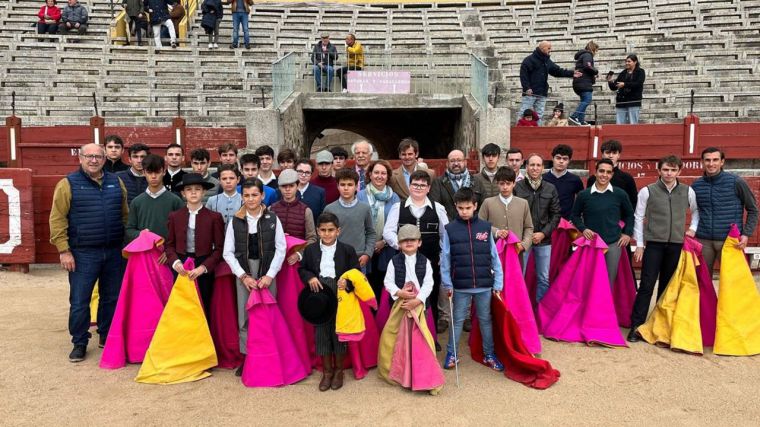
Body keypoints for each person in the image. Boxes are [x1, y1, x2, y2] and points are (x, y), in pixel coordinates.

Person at [49, 143, 128, 362]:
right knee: (80, 300)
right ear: (80, 158)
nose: (94, 160)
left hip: (113, 250)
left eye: (98, 156)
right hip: (83, 252)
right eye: (89, 156)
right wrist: (64, 250)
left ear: (104, 159)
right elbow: (57, 219)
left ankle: (105, 334)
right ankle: (79, 342)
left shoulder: (116, 181)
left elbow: (124, 215)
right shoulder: (67, 184)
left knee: (111, 297)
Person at [628, 155, 700, 342]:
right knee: (646, 285)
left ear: (679, 171)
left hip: (676, 245)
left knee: (668, 287)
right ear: (659, 171)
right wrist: (640, 245)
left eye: (673, 170)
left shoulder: (687, 191)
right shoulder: (647, 191)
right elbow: (638, 217)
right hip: (654, 244)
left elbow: (696, 212)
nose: (669, 173)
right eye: (665, 170)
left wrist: (692, 229)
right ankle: (636, 325)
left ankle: (659, 326)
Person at [223, 178, 287, 376]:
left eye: (255, 195)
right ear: (242, 197)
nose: (251, 199)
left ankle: (269, 355)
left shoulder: (272, 219)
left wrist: (269, 275)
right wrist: (243, 276)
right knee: (245, 317)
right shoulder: (235, 220)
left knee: (267, 314)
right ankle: (248, 356)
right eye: (247, 195)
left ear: (262, 196)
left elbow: (281, 248)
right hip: (244, 272)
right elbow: (228, 252)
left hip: (267, 271)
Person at [441, 188, 504, 372]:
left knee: (485, 320)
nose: (464, 211)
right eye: (460, 208)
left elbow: (495, 256)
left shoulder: (485, 227)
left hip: (484, 285)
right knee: (457, 320)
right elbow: (445, 259)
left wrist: (498, 282)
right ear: (455, 207)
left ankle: (489, 354)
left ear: (475, 206)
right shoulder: (450, 229)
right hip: (460, 285)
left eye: (468, 207)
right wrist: (447, 283)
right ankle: (451, 353)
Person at [383, 170, 449, 339]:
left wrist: (442, 256)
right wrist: (401, 246)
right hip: (403, 260)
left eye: (422, 185)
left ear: (428, 188)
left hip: (431, 260)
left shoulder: (438, 208)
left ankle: (430, 337)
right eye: (415, 184)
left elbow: (445, 235)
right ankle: (403, 338)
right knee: (403, 297)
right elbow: (388, 231)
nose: (418, 188)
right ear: (409, 186)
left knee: (430, 297)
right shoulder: (398, 207)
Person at [299, 212, 360, 391]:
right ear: (317, 231)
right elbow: (303, 270)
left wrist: (347, 281)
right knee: (321, 333)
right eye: (323, 230)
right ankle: (327, 372)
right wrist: (310, 278)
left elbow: (356, 271)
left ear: (338, 231)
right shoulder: (310, 250)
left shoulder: (347, 250)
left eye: (331, 230)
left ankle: (339, 370)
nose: (327, 234)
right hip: (319, 293)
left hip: (340, 293)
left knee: (338, 330)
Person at [165, 173, 225, 319]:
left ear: (204, 192)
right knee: (181, 306)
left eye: (197, 189)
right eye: (189, 189)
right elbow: (170, 245)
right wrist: (176, 263)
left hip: (203, 265)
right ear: (183, 193)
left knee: (203, 303)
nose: (193, 192)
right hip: (181, 266)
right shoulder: (175, 216)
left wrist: (203, 268)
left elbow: (219, 249)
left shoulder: (214, 217)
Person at [691, 147, 758, 275]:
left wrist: (746, 234)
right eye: (708, 160)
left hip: (730, 241)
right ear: (702, 162)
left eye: (715, 160)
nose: (711, 164)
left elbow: (753, 209)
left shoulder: (736, 182)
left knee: (733, 282)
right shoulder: (696, 185)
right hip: (704, 241)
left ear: (722, 162)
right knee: (702, 282)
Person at [571, 159, 634, 286]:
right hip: (591, 244)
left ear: (612, 175)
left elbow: (629, 215)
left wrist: (627, 233)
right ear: (595, 172)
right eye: (601, 171)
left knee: (609, 279)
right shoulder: (584, 195)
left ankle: (604, 306)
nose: (604, 175)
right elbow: (575, 215)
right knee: (589, 279)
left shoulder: (620, 194)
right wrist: (583, 229)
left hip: (613, 243)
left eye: (608, 172)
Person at [514, 154, 561, 301]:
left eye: (538, 165)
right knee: (519, 277)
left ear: (543, 168)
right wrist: (525, 237)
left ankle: (541, 313)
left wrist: (543, 233)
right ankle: (521, 312)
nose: (535, 168)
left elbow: (556, 215)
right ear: (526, 167)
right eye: (532, 165)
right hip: (522, 241)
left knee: (543, 278)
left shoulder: (550, 188)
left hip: (544, 240)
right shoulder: (517, 187)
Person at [357, 160, 400, 299]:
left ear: (388, 176)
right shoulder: (360, 196)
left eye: (383, 173)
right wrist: (370, 244)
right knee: (366, 285)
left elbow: (398, 224)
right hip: (364, 249)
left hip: (387, 248)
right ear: (370, 174)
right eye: (376, 172)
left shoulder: (394, 198)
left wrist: (384, 242)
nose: (379, 176)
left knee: (385, 285)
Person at [324, 168, 376, 273]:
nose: (346, 188)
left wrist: (367, 254)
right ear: (338, 186)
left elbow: (371, 233)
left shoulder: (364, 208)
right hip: (334, 258)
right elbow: (324, 235)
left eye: (350, 185)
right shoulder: (329, 209)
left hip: (359, 258)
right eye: (342, 185)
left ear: (356, 186)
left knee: (357, 288)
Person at [126, 154, 184, 244]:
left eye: (157, 172)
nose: (153, 176)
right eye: (149, 172)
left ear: (164, 172)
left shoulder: (175, 201)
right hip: (144, 252)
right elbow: (129, 229)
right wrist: (140, 234)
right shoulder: (136, 202)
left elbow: (182, 230)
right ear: (144, 172)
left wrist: (170, 251)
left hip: (168, 254)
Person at [519, 40, 580, 125]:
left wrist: (572, 73)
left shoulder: (547, 60)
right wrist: (527, 88)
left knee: (539, 115)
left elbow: (557, 71)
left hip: (542, 93)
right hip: (530, 93)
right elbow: (523, 75)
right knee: (524, 112)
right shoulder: (529, 60)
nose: (550, 50)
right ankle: (519, 132)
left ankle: (537, 132)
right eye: (549, 48)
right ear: (542, 48)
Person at [478, 167, 533, 252]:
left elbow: (529, 227)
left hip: (516, 251)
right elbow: (479, 225)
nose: (505, 187)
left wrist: (524, 244)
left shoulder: (523, 203)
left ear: (514, 184)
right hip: (494, 251)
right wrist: (496, 232)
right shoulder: (488, 203)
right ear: (497, 184)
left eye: (508, 183)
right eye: (502, 184)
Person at [269, 169, 317, 263]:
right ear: (279, 187)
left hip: (297, 261)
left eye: (291, 185)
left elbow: (312, 238)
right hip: (274, 259)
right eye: (284, 186)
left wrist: (299, 254)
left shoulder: (306, 211)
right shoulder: (271, 210)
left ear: (297, 186)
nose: (288, 189)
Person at [430, 149, 485, 220]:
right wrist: (451, 225)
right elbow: (435, 207)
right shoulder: (438, 183)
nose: (456, 164)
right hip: (448, 227)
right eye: (452, 161)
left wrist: (473, 221)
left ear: (465, 162)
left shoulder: (477, 181)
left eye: (459, 160)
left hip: (472, 226)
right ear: (447, 164)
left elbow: (483, 206)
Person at [587, 140, 638, 212]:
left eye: (614, 153)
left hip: (620, 221)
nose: (610, 156)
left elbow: (633, 202)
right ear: (602, 154)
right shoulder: (592, 179)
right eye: (608, 152)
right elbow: (589, 202)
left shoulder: (627, 178)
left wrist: (624, 221)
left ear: (618, 155)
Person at [543, 144, 584, 219]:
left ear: (569, 161)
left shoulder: (575, 180)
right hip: (546, 222)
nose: (561, 161)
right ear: (552, 158)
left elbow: (582, 200)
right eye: (558, 158)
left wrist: (575, 218)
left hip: (567, 222)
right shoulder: (543, 178)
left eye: (565, 159)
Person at [608, 54, 646, 124]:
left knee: (633, 123)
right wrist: (610, 81)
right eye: (626, 61)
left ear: (635, 62)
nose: (626, 63)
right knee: (619, 123)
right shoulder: (623, 73)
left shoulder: (640, 72)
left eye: (629, 61)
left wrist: (624, 84)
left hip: (633, 101)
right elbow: (614, 87)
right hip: (621, 101)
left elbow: (638, 83)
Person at [569, 41, 599, 126]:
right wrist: (596, 71)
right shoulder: (588, 55)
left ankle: (581, 121)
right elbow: (587, 66)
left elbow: (585, 70)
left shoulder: (582, 55)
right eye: (596, 50)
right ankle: (574, 116)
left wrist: (593, 77)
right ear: (593, 49)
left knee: (584, 100)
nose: (596, 53)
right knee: (587, 99)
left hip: (579, 83)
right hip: (583, 83)